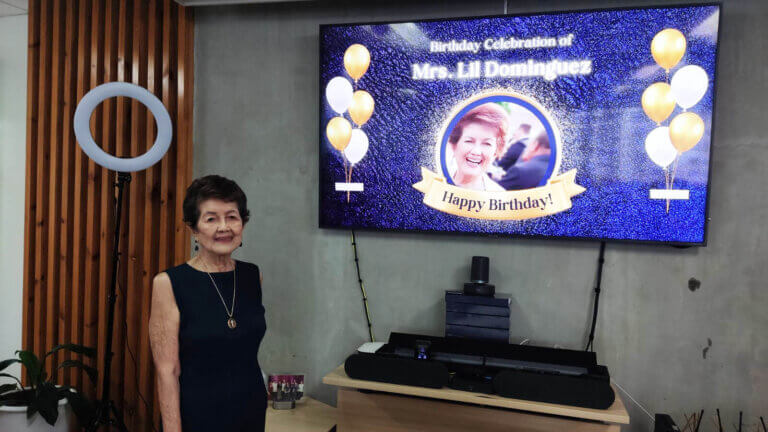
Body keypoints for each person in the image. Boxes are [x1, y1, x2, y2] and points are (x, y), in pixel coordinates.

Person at [149, 175, 267, 432]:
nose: (224, 227)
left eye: (232, 217)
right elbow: (167, 372)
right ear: (193, 229)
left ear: (243, 223)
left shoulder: (252, 276)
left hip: (251, 410)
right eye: (211, 219)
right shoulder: (169, 283)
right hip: (197, 415)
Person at [447, 103, 508, 192]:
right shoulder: (436, 179)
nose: (476, 151)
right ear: (454, 145)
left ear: (496, 152)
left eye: (487, 144)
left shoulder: (500, 199)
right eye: (469, 141)